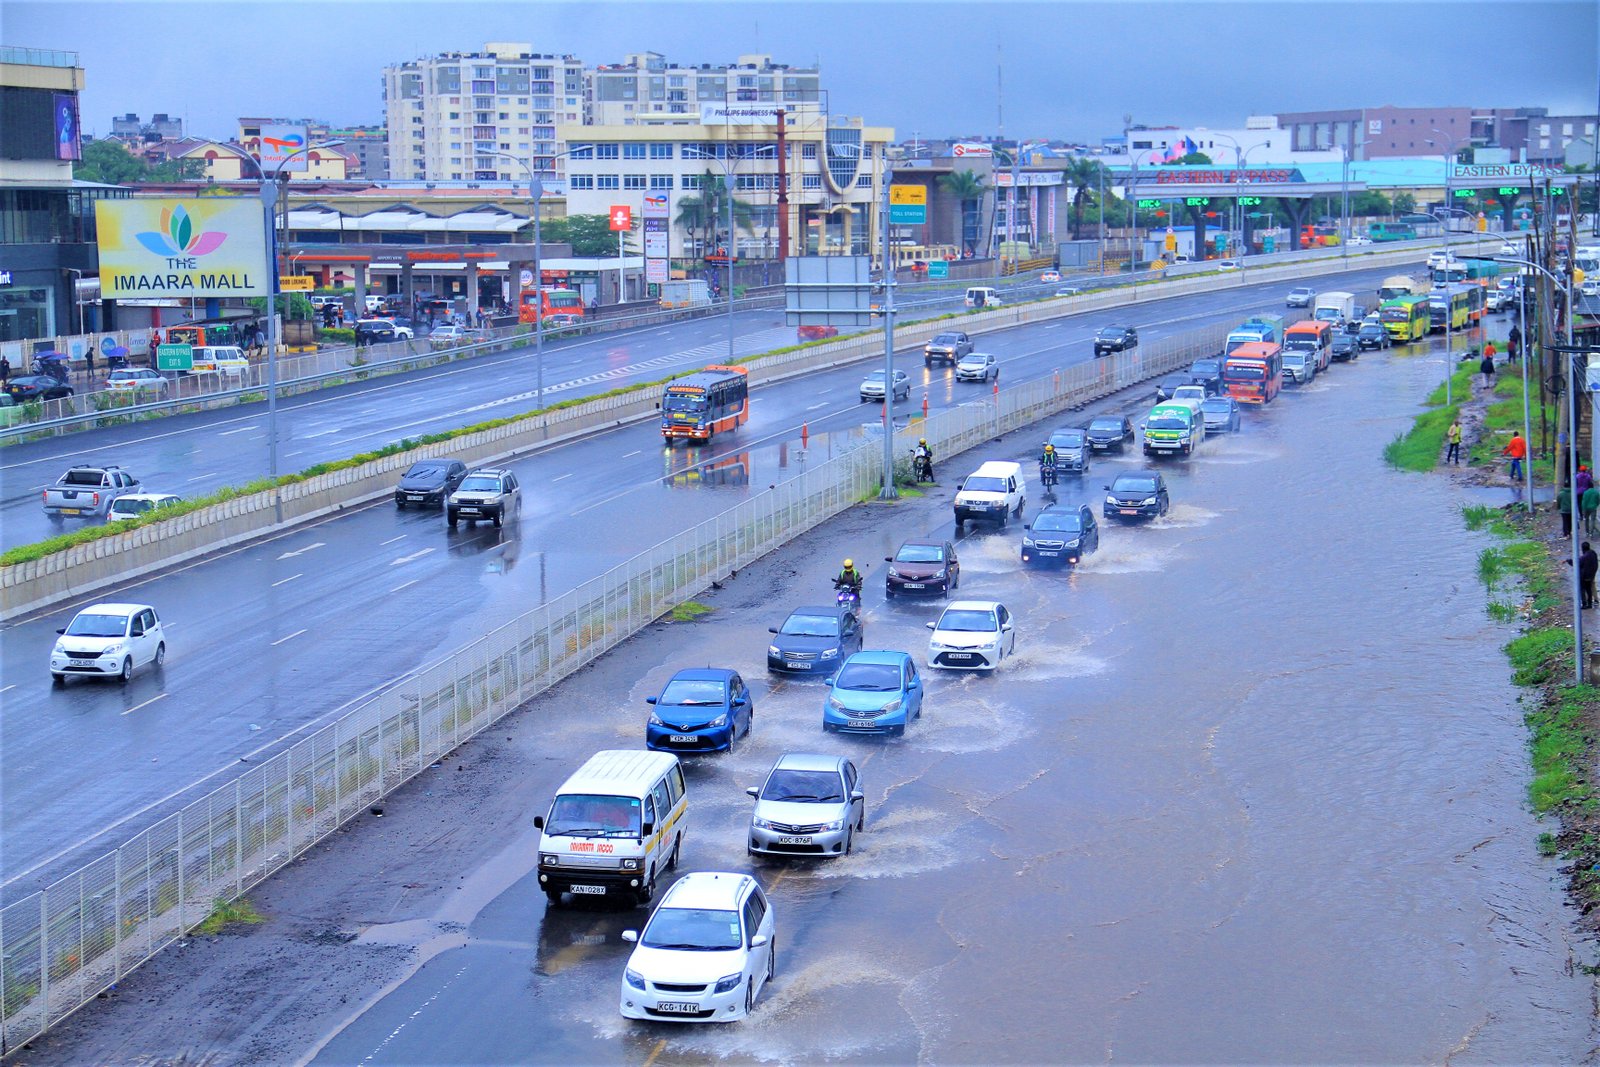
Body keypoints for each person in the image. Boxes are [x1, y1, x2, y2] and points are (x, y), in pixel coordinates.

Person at [1584, 542, 1599, 609]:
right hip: (1593, 572)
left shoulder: (1586, 556)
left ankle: (1588, 600)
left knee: (1587, 587)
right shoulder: (1593, 553)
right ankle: (1596, 599)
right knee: (1592, 585)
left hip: (1588, 574)